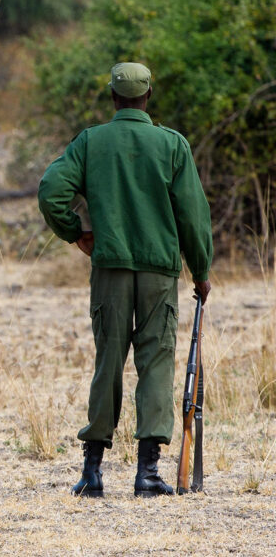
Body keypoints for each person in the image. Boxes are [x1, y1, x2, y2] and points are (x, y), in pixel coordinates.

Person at [37, 62, 213, 498]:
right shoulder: (172, 145)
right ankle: (148, 474)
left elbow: (49, 191)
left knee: (108, 363)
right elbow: (193, 215)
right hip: (158, 273)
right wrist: (202, 271)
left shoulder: (91, 142)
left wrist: (76, 232)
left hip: (110, 270)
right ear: (148, 96)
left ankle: (93, 472)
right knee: (155, 362)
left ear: (113, 98)